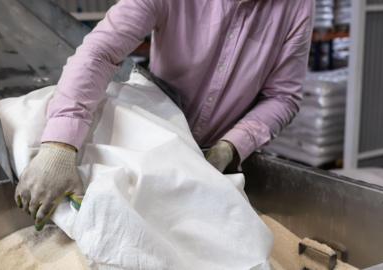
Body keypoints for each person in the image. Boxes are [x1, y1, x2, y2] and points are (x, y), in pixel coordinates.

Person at [16, 0, 314, 227]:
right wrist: (59, 145)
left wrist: (230, 147)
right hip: (152, 143)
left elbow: (283, 97)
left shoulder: (296, 6)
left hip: (216, 165)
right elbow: (101, 52)